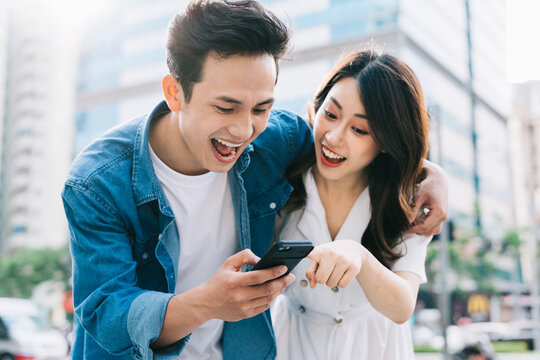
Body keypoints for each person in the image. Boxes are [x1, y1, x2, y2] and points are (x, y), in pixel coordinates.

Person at [62, 1, 448, 359]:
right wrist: (207, 303)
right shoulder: (97, 183)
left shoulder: (274, 141)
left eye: (262, 108)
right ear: (174, 92)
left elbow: (364, 145)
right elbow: (105, 310)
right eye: (226, 107)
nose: (244, 129)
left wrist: (429, 173)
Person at [271, 50, 440, 360]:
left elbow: (402, 305)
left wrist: (359, 256)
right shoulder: (283, 180)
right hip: (293, 343)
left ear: (388, 141)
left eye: (359, 130)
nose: (334, 138)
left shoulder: (406, 201)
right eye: (331, 114)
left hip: (376, 348)